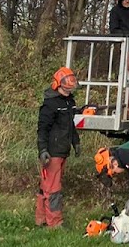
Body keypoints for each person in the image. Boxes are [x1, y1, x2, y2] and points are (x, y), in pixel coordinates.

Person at [36, 66, 81, 227]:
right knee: (53, 189)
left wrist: (76, 142)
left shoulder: (69, 102)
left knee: (46, 186)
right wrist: (43, 149)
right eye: (68, 84)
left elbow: (71, 125)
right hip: (52, 151)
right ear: (58, 84)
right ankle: (55, 223)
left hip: (63, 150)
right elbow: (42, 129)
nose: (70, 87)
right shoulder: (50, 105)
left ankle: (41, 219)